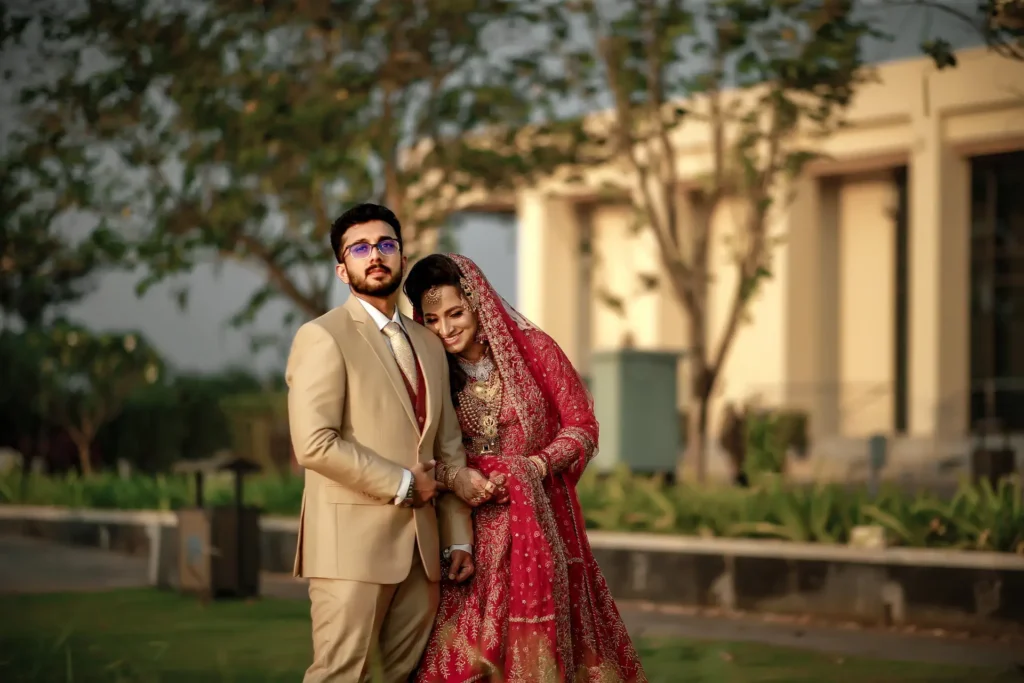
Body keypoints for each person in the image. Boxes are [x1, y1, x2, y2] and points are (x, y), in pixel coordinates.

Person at [403, 254, 648, 683]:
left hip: (543, 525)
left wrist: (536, 465)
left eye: (456, 313)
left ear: (478, 303)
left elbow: (582, 425)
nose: (446, 329)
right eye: (433, 319)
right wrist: (458, 478)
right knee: (467, 658)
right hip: (469, 535)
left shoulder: (535, 350)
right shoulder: (431, 374)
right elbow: (421, 454)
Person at [285, 204, 502, 682]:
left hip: (423, 554)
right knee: (342, 675)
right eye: (359, 248)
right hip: (350, 551)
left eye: (386, 244)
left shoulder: (427, 341)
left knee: (405, 677)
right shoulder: (322, 337)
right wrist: (404, 484)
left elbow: (447, 448)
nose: (375, 255)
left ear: (401, 257)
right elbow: (314, 444)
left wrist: (457, 537)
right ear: (342, 268)